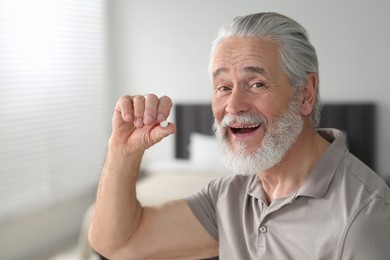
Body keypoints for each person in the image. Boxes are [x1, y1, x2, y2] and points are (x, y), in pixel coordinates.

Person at [88, 12, 390, 259]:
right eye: (223, 87)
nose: (233, 105)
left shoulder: (365, 216)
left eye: (256, 83)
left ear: (305, 94)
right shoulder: (231, 196)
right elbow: (116, 244)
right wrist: (123, 150)